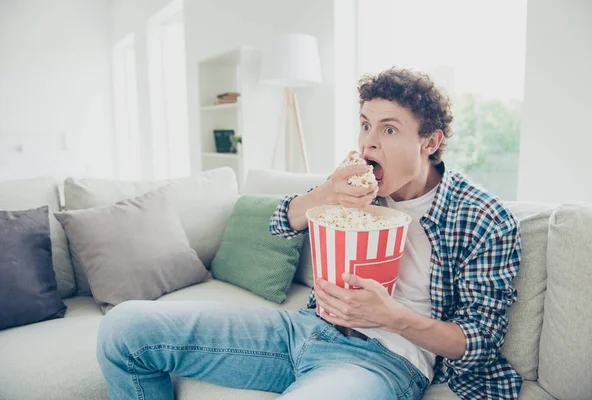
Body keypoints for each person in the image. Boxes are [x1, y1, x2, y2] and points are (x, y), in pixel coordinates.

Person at [97, 68, 522, 400]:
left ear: (430, 142)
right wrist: (327, 193)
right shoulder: (357, 186)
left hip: (387, 362)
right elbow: (281, 223)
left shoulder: (483, 216)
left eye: (389, 129)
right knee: (125, 328)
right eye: (365, 125)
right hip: (303, 330)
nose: (369, 143)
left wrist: (389, 316)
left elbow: (477, 343)